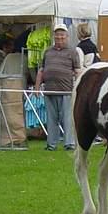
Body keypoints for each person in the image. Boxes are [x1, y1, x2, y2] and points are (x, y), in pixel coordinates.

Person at [35, 23, 80, 151]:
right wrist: (37, 88)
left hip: (66, 91)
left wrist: (79, 89)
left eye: (62, 36)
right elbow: (41, 71)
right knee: (51, 119)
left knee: (67, 119)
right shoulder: (48, 51)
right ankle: (51, 144)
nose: (59, 39)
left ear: (67, 37)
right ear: (54, 37)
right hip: (49, 90)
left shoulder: (72, 52)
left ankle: (69, 143)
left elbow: (77, 71)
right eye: (57, 36)